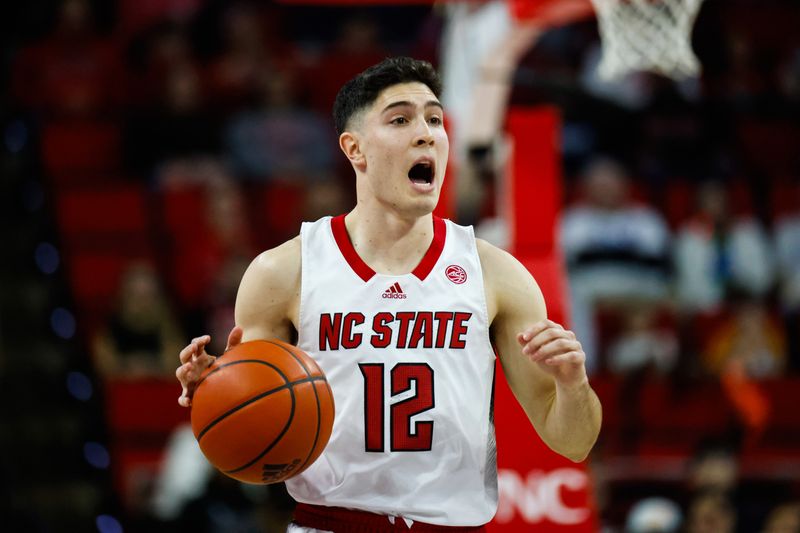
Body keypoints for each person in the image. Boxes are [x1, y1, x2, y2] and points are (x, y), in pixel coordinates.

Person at [175, 57, 601, 532]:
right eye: (400, 119)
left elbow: (574, 442)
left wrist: (572, 383)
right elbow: (254, 452)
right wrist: (219, 397)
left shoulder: (495, 274)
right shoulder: (283, 272)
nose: (426, 133)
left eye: (435, 119)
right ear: (354, 148)